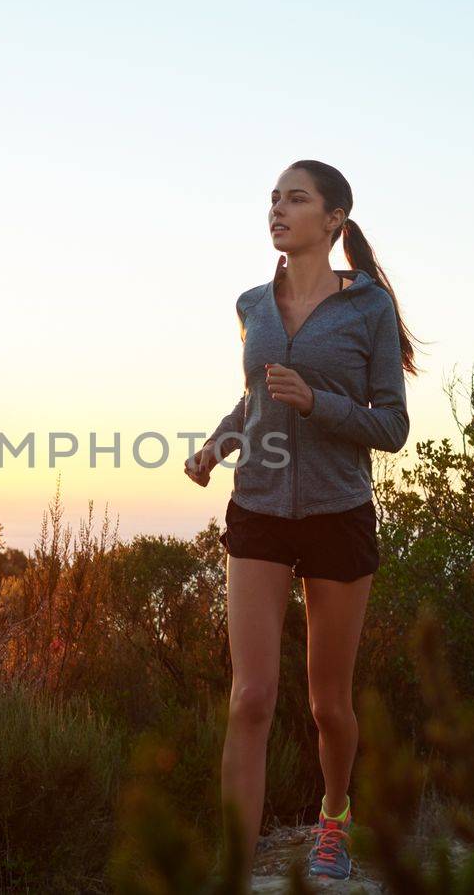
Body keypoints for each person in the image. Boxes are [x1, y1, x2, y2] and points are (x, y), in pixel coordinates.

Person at [183, 159, 420, 881]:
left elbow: (393, 425)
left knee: (328, 706)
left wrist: (319, 403)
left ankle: (335, 816)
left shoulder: (369, 308)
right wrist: (218, 443)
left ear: (334, 220)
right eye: (273, 199)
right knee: (250, 697)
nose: (278, 210)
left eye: (296, 199)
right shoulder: (252, 303)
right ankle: (233, 860)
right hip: (256, 508)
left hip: (336, 514)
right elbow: (254, 398)